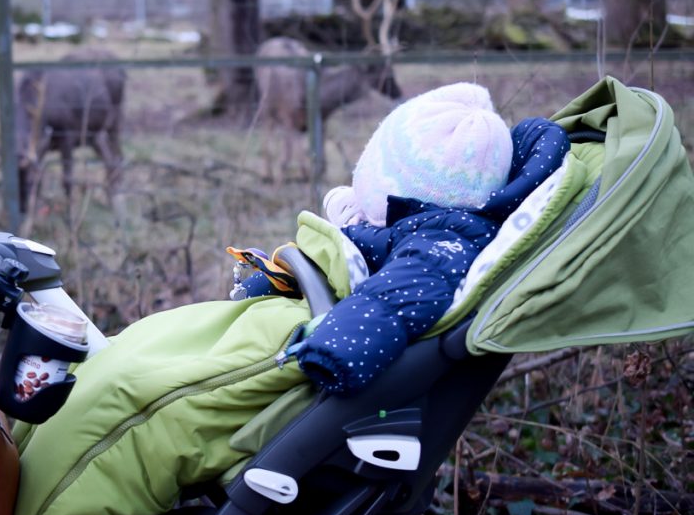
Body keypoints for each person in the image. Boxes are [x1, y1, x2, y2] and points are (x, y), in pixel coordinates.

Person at [229, 82, 570, 394]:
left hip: (313, 351)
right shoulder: (419, 227)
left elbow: (391, 301)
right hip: (287, 303)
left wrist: (335, 348)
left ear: (398, 196)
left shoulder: (439, 246)